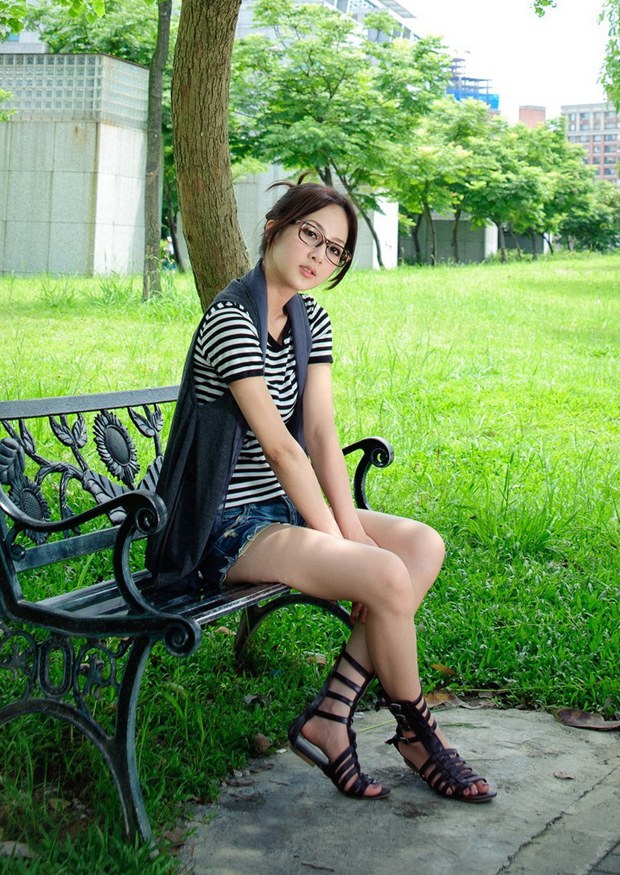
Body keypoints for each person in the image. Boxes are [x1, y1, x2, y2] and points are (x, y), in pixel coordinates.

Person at [146, 179, 496, 804]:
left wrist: (350, 531)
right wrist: (345, 547)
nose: (319, 255)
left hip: (282, 510)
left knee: (420, 546)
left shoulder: (310, 321)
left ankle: (331, 715)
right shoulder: (229, 319)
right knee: (383, 575)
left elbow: (320, 434)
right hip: (224, 526)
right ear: (274, 227)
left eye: (335, 249)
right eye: (310, 234)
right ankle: (418, 733)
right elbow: (282, 449)